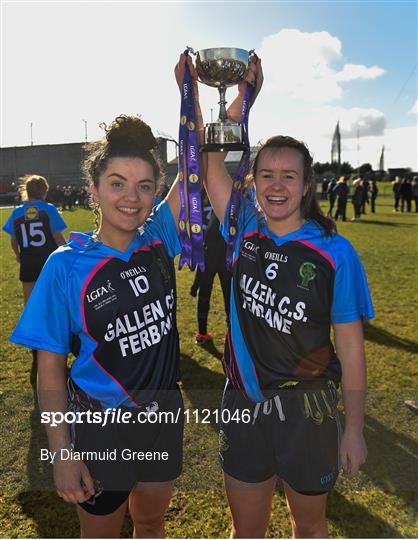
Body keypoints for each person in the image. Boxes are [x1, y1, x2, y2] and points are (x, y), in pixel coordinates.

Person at [177, 54, 373, 538]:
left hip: (310, 410)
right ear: (254, 182)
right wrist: (231, 97)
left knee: (309, 528)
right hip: (242, 402)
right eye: (267, 174)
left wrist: (353, 428)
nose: (278, 185)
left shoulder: (336, 253)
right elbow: (209, 159)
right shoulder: (242, 225)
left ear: (307, 185)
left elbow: (351, 347)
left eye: (290, 176)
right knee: (247, 531)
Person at [10, 116, 186, 538]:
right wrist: (61, 452)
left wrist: (207, 108)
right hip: (100, 428)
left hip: (163, 416)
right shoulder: (65, 266)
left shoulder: (158, 236)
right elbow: (50, 369)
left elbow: (196, 170)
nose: (132, 197)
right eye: (117, 183)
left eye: (145, 186)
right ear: (93, 189)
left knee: (151, 523)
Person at [2, 174, 67, 304]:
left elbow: (14, 240)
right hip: (49, 260)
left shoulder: (17, 212)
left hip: (28, 260)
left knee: (30, 300)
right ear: (44, 191)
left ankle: (31, 324)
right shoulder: (49, 209)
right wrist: (67, 256)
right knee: (52, 298)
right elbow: (57, 237)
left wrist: (17, 254)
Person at [192, 210, 231, 345]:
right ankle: (205, 334)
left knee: (207, 295)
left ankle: (202, 334)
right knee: (228, 296)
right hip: (223, 258)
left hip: (212, 256)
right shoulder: (226, 208)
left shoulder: (222, 208)